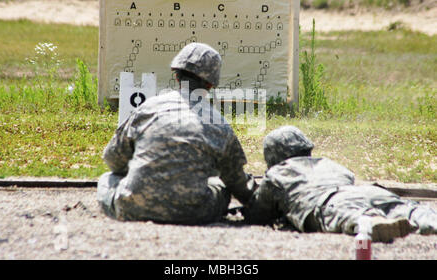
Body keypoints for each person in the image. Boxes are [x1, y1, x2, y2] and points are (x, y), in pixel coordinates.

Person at [97, 43, 257, 224]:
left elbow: (113, 160)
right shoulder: (219, 124)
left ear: (176, 76)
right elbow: (237, 182)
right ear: (211, 84)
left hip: (134, 208)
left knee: (106, 179)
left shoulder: (147, 108)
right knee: (220, 185)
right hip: (194, 213)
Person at [244, 125, 437, 242]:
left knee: (355, 216)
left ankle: (369, 222)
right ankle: (429, 220)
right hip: (368, 193)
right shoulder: (329, 163)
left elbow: (259, 213)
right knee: (410, 208)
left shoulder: (277, 173)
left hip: (331, 202)